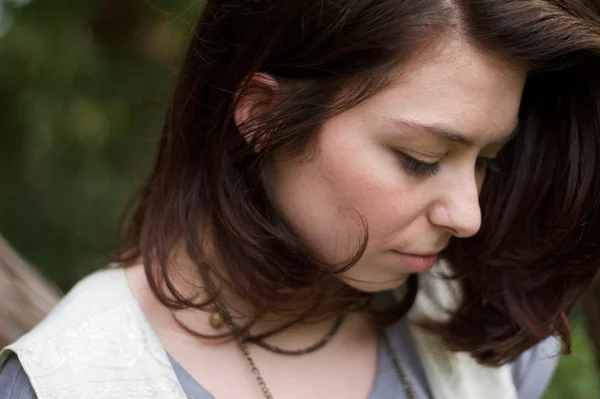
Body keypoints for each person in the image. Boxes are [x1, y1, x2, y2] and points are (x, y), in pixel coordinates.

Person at [3, 0, 600, 398]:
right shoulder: (69, 380)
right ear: (264, 116)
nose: (467, 215)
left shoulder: (484, 336)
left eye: (487, 160)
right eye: (419, 158)